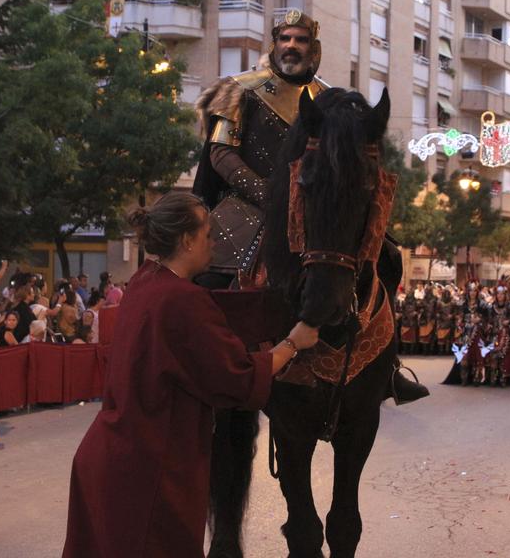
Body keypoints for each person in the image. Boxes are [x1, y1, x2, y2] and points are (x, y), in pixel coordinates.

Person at [62, 192, 318, 558]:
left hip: (110, 454)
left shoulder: (144, 281)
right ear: (186, 240)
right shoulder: (183, 299)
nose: (213, 242)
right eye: (208, 233)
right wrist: (293, 343)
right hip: (149, 469)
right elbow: (240, 377)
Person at [192, 10, 328, 288]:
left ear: (313, 49)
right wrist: (268, 194)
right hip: (245, 206)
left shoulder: (327, 99)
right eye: (285, 38)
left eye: (300, 40)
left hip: (309, 210)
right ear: (274, 44)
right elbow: (220, 153)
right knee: (208, 278)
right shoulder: (240, 89)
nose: (291, 45)